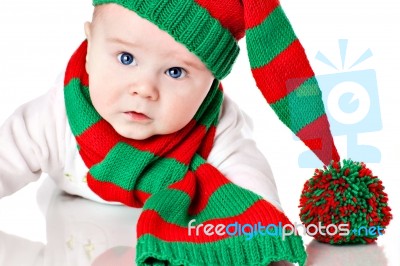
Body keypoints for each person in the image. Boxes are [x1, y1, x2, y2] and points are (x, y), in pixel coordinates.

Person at [2, 0, 362, 264]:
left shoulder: (216, 126)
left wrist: (262, 241)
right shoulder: (56, 115)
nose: (144, 89)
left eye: (175, 72)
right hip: (64, 239)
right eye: (126, 58)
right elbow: (8, 153)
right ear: (90, 43)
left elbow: (248, 177)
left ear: (211, 83)